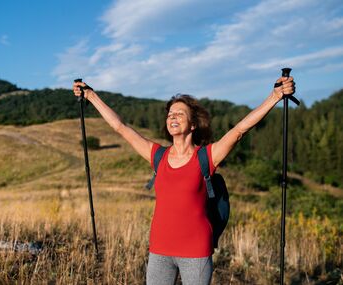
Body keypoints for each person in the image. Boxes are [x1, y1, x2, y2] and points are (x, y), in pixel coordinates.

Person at [73, 76, 295, 285]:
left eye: (179, 113)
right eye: (170, 114)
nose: (172, 116)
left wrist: (275, 97)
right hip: (159, 250)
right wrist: (91, 95)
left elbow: (239, 130)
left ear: (193, 124)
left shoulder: (206, 157)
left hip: (196, 251)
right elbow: (120, 127)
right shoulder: (158, 156)